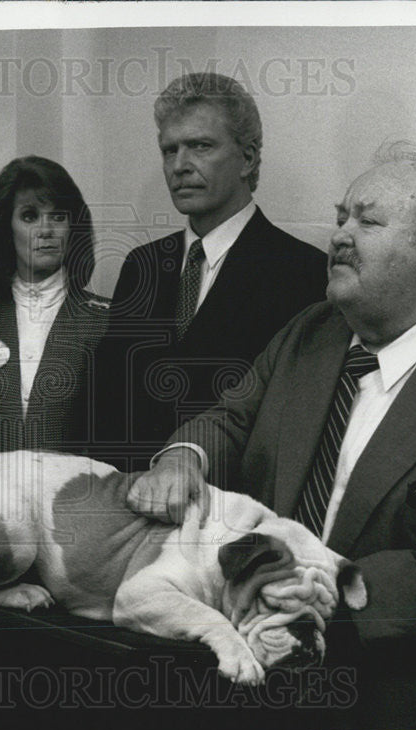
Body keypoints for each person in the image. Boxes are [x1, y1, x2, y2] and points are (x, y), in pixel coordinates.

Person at [127, 152, 416, 730]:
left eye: (367, 221)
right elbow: (232, 418)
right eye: (341, 218)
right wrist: (186, 455)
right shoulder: (308, 331)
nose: (339, 235)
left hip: (408, 712)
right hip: (264, 690)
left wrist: (330, 588)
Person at [89, 72, 327, 471]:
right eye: (169, 150)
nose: (180, 165)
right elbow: (111, 398)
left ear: (247, 158)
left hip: (234, 509)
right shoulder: (141, 265)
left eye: (200, 146)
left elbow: (294, 421)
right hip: (131, 501)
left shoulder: (303, 272)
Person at [0, 156, 108, 481]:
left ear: (73, 227)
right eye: (30, 216)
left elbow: (113, 437)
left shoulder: (106, 321)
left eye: (58, 216)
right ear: (5, 227)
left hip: (77, 511)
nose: (46, 229)